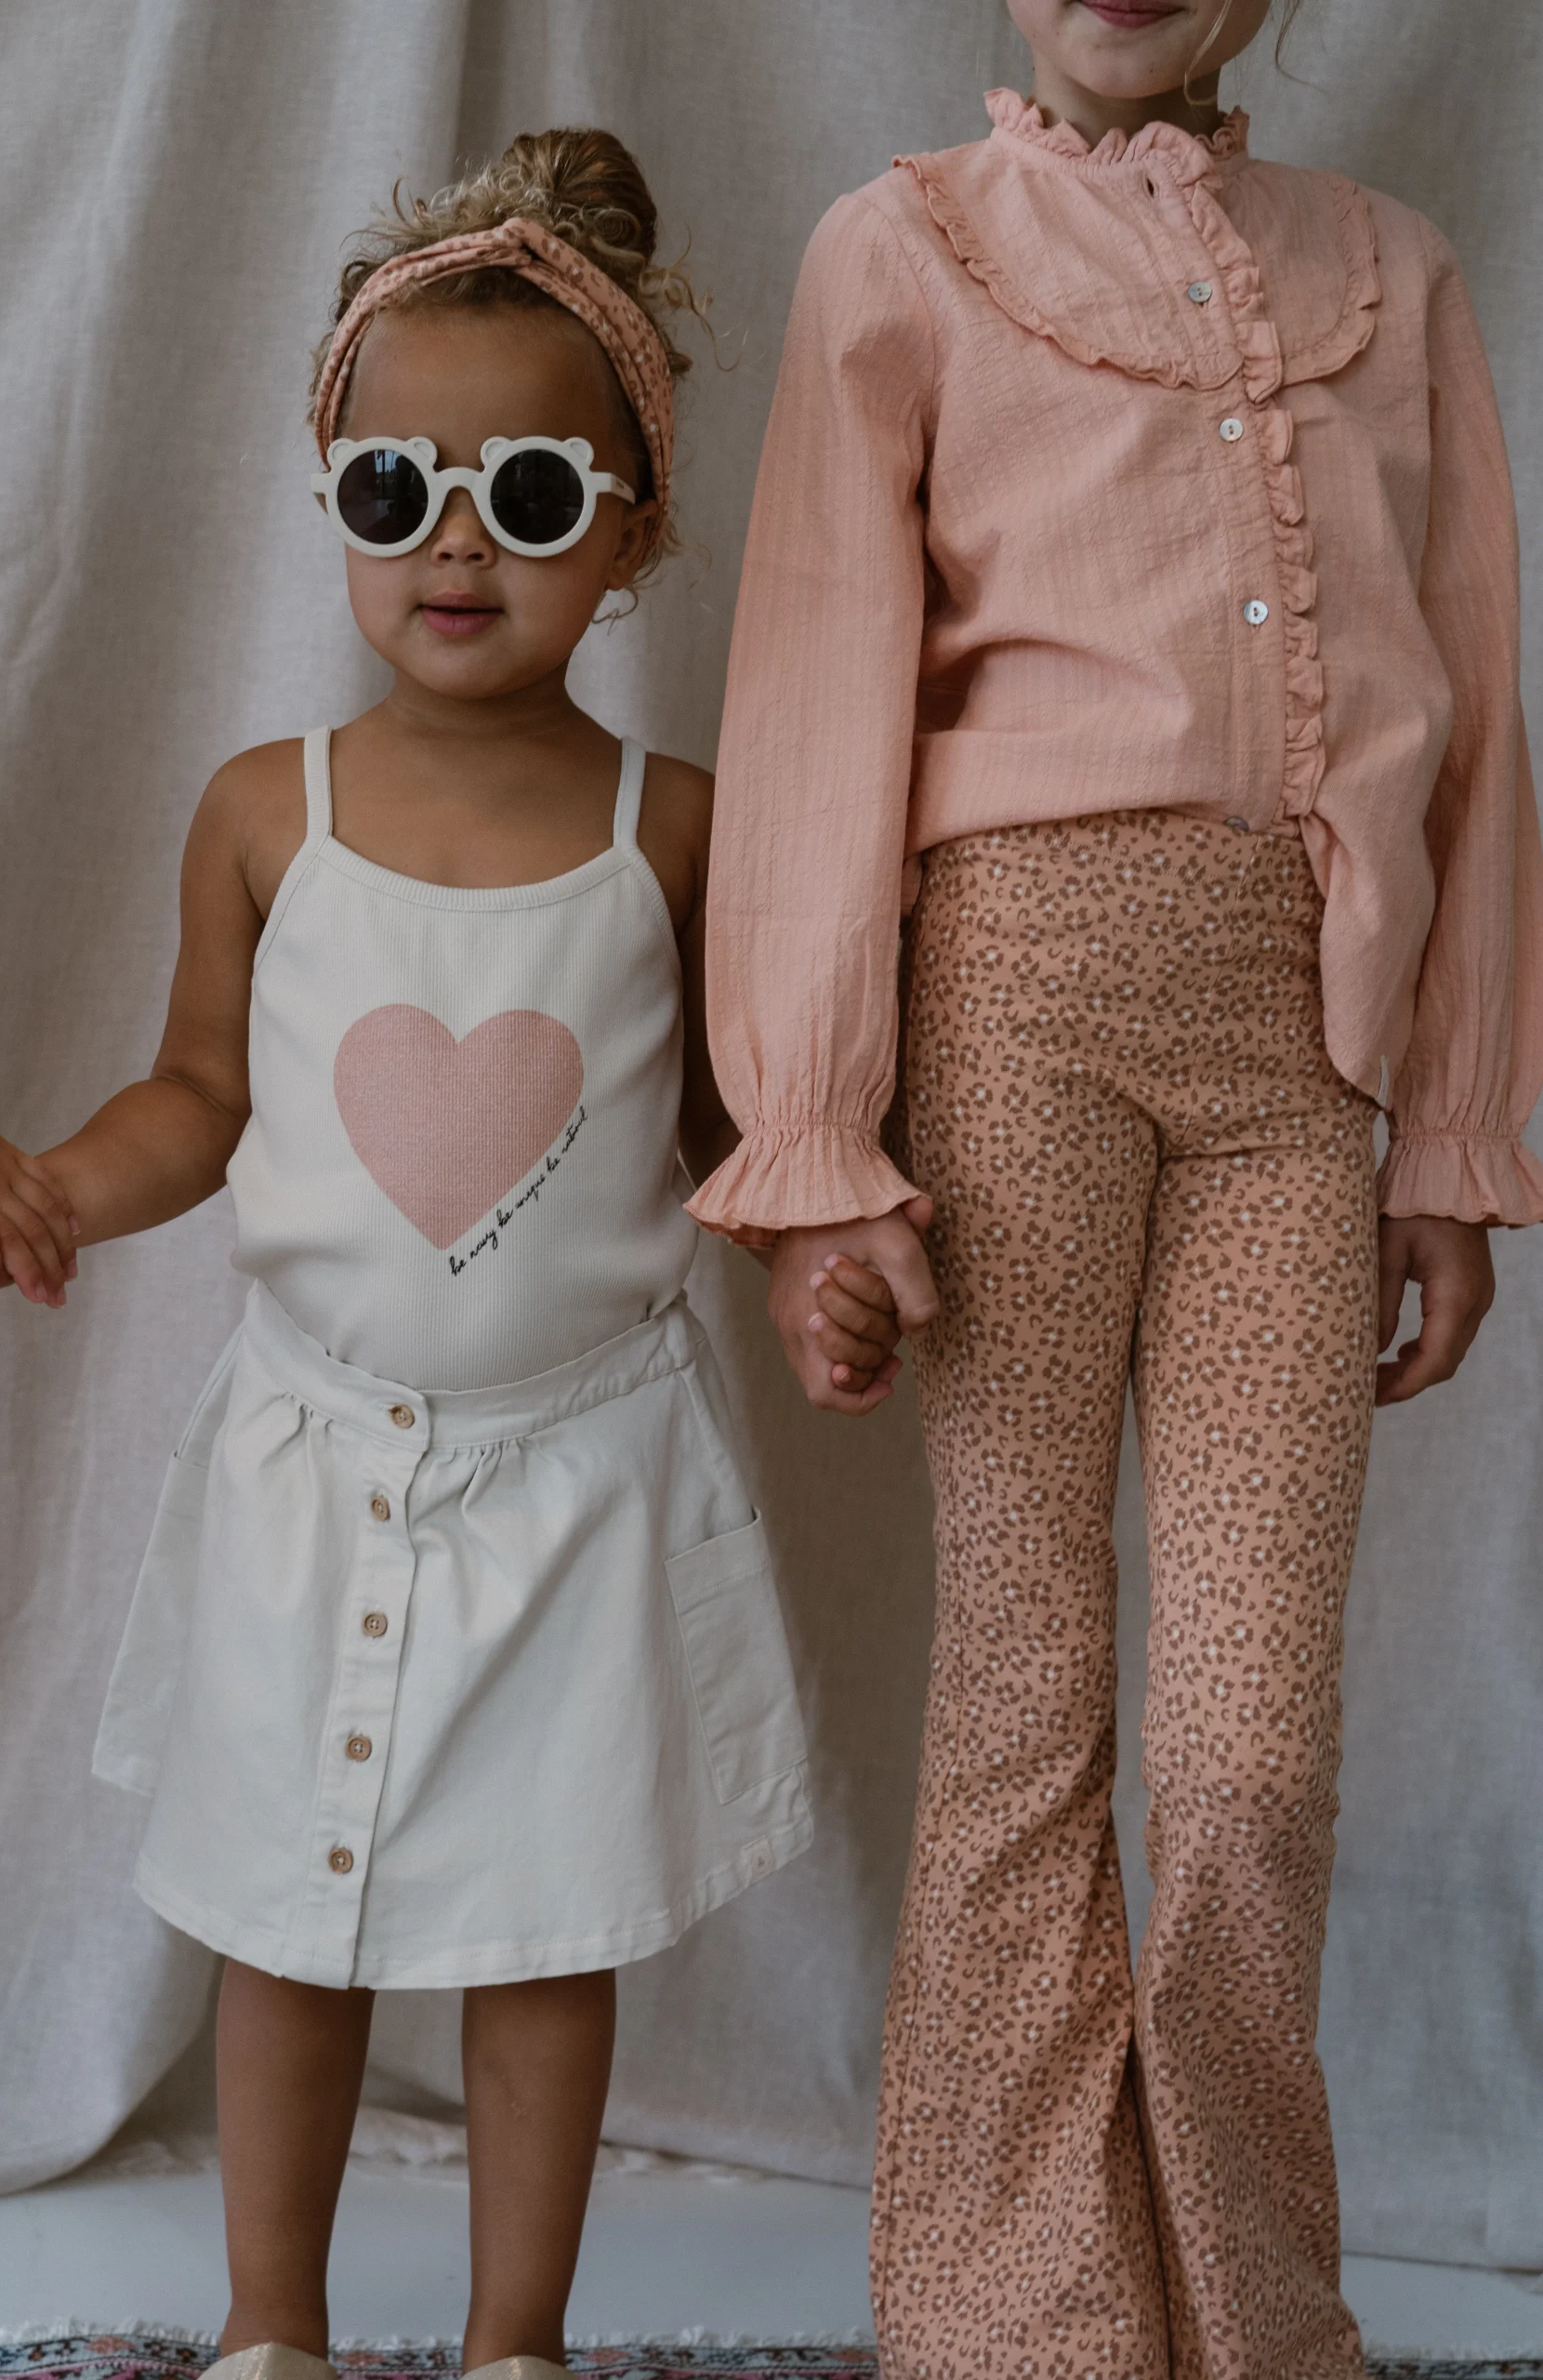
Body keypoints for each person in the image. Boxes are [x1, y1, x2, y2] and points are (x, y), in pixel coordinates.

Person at [0, 128, 892, 2380]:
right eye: (397, 491)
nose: (456, 543)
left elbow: (729, 1138)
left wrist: (817, 1253)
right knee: (284, 1920)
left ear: (632, 527)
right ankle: (268, 2327)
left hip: (582, 1477)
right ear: (337, 503)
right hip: (309, 1458)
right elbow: (200, 1093)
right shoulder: (263, 809)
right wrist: (60, 1183)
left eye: (529, 498)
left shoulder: (676, 830)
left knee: (545, 1933)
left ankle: (514, 2339)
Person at [689, 3, 1542, 2375]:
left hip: (1296, 1062)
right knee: (1022, 1694)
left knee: (1252, 1753)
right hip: (1011, 1017)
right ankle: (1016, 2322)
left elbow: (1476, 700)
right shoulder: (903, 250)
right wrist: (817, 1141)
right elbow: (818, 689)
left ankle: (1250, 2313)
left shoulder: (1389, 271)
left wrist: (1449, 1129)